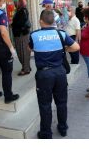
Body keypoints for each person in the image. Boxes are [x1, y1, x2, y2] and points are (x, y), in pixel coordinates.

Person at [29, 10, 79, 139]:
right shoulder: (61, 34)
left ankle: (46, 133)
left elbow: (30, 48)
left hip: (44, 75)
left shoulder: (34, 35)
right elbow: (76, 47)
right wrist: (64, 49)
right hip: (60, 73)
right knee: (61, 102)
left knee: (45, 105)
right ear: (53, 21)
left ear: (41, 21)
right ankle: (63, 128)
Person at [11, 0, 32, 76]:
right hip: (20, 34)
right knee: (22, 52)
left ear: (18, 3)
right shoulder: (20, 10)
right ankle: (27, 67)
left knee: (23, 52)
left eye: (15, 2)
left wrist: (12, 24)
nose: (14, 4)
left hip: (22, 35)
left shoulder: (22, 11)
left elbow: (21, 23)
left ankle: (26, 69)